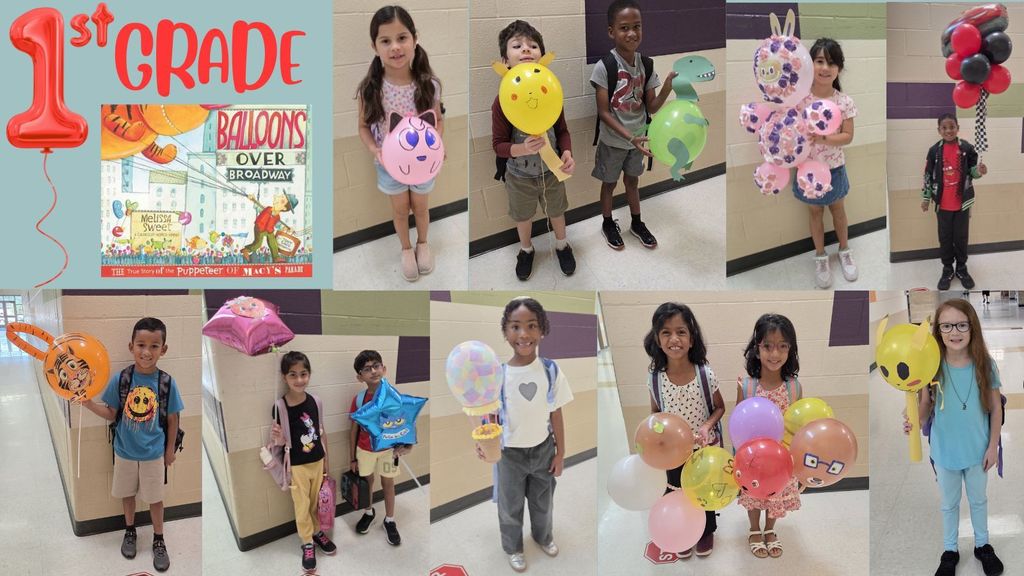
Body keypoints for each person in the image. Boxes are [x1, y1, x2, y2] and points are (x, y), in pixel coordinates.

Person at [903, 299, 1003, 576]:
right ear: (938, 331)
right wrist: (914, 421)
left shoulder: (985, 365)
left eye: (961, 324)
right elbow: (924, 406)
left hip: (978, 449)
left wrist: (993, 445)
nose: (954, 332)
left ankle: (983, 545)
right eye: (946, 326)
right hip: (945, 452)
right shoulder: (931, 366)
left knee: (979, 499)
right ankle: (950, 549)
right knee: (949, 503)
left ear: (972, 327)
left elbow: (996, 408)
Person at [475, 297, 573, 572]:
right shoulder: (498, 375)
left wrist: (561, 453)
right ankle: (513, 547)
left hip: (543, 451)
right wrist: (484, 444)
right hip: (509, 455)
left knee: (543, 503)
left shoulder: (551, 370)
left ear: (542, 329)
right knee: (510, 507)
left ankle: (543, 536)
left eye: (531, 326)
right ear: (506, 333)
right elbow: (490, 418)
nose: (524, 334)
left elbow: (556, 414)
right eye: (515, 327)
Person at [82, 317, 184, 573]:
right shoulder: (122, 379)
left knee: (155, 499)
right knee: (127, 494)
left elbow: (173, 419)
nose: (147, 352)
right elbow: (111, 413)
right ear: (131, 346)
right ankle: (130, 531)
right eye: (141, 345)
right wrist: (88, 403)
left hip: (153, 454)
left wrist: (169, 450)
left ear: (164, 349)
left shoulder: (167, 383)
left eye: (154, 346)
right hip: (124, 451)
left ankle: (159, 539)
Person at [356, 5, 444, 282]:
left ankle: (423, 244)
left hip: (422, 164)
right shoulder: (371, 89)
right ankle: (406, 249)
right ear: (375, 46)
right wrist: (376, 150)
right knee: (399, 209)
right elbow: (362, 127)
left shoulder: (429, 84)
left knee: (420, 207)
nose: (395, 47)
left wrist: (436, 143)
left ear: (414, 39)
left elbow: (438, 121)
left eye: (402, 38)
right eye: (386, 41)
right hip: (388, 165)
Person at [492, 20, 577, 280]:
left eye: (533, 45)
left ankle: (562, 245)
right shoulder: (501, 101)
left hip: (552, 173)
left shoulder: (551, 90)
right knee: (523, 216)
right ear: (505, 60)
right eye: (517, 46)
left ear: (541, 55)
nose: (526, 50)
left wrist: (567, 153)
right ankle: (526, 250)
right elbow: (498, 146)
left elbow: (562, 131)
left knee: (557, 211)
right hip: (519, 177)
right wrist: (521, 148)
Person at [590, 0, 676, 250]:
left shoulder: (646, 65)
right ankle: (607, 223)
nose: (631, 33)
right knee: (609, 183)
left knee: (633, 182)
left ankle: (636, 223)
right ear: (611, 32)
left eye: (637, 26)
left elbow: (652, 107)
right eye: (624, 27)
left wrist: (667, 88)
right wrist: (630, 137)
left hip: (637, 141)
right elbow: (604, 112)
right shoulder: (604, 67)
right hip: (614, 141)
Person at [642, 302, 725, 556]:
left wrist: (706, 426)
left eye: (681, 332)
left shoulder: (704, 373)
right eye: (666, 332)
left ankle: (706, 531)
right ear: (657, 339)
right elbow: (655, 414)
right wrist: (655, 434)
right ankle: (682, 530)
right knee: (676, 489)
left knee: (704, 491)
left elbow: (720, 408)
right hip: (672, 452)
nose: (674, 338)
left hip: (703, 449)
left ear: (691, 339)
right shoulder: (655, 377)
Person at [737, 314, 802, 558]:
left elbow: (798, 427)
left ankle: (770, 530)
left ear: (790, 350)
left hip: (782, 460)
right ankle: (754, 529)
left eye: (782, 346)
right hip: (752, 460)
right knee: (753, 496)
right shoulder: (747, 385)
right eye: (768, 346)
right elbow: (738, 425)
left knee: (778, 496)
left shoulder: (794, 386)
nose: (775, 354)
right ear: (757, 349)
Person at [794, 38, 858, 288]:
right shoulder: (800, 100)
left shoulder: (844, 101)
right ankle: (820, 256)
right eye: (820, 61)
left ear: (839, 69)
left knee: (838, 211)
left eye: (832, 62)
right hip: (806, 170)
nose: (825, 67)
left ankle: (844, 250)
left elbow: (848, 136)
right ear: (811, 64)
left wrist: (822, 137)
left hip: (835, 168)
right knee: (815, 212)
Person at [270, 351, 336, 572]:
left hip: (317, 461)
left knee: (316, 502)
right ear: (284, 377)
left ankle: (318, 532)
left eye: (304, 374)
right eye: (293, 375)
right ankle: (307, 542)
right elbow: (280, 443)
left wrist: (327, 460)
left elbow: (321, 432)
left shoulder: (316, 402)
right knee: (302, 505)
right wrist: (278, 437)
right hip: (297, 466)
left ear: (309, 374)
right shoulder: (279, 406)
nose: (299, 380)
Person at [349, 350, 412, 545]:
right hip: (365, 450)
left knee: (388, 483)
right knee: (367, 482)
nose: (373, 371)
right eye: (367, 369)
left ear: (384, 369)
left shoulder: (394, 397)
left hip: (388, 451)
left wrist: (407, 444)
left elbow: (405, 422)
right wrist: (352, 458)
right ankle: (369, 512)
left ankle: (390, 520)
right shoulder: (359, 400)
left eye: (376, 366)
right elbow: (353, 431)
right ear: (360, 377)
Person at [921, 113, 988, 290]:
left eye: (952, 127)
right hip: (942, 206)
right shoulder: (934, 150)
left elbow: (973, 172)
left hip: (962, 204)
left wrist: (980, 171)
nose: (948, 130)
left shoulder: (967, 148)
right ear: (939, 130)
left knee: (961, 237)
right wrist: (926, 198)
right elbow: (928, 175)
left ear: (957, 128)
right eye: (944, 127)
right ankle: (947, 268)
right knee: (945, 237)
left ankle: (962, 268)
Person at [241, 192, 298, 263]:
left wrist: (286, 229)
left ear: (284, 208)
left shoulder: (277, 217)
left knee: (273, 243)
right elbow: (258, 206)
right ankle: (246, 250)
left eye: (282, 201)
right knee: (258, 243)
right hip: (260, 228)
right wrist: (253, 199)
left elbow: (278, 225)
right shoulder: (267, 209)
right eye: (281, 196)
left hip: (269, 230)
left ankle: (276, 258)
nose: (279, 199)